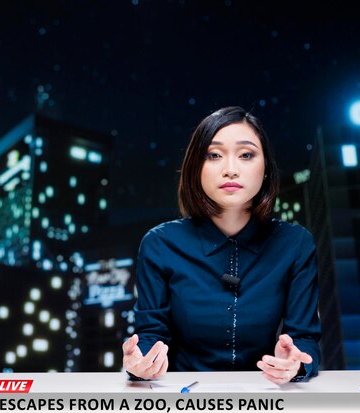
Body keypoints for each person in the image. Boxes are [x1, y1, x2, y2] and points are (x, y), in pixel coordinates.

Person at [122, 106, 321, 385]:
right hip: (184, 399)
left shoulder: (295, 243)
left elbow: (305, 339)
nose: (230, 170)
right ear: (196, 168)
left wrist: (296, 364)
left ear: (266, 168)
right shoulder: (159, 243)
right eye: (214, 155)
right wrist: (138, 363)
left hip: (263, 398)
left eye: (246, 155)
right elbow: (150, 335)